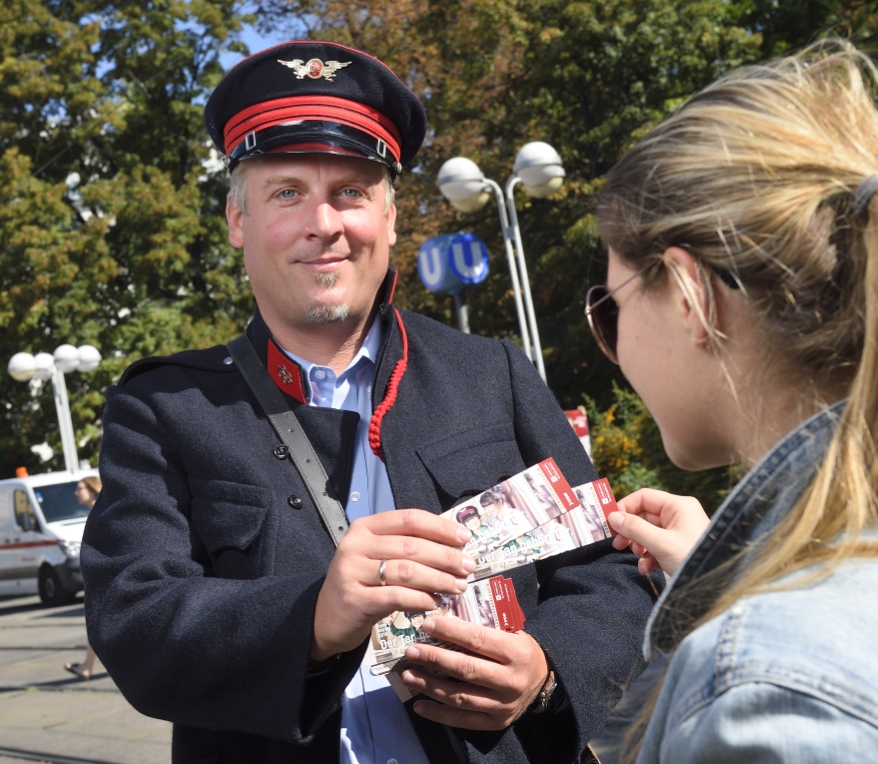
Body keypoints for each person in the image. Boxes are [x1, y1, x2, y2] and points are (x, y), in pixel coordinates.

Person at [81, 40, 660, 764]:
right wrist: (313, 618)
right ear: (239, 221)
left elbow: (607, 572)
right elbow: (133, 620)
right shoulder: (164, 406)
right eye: (286, 192)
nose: (323, 223)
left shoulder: (491, 374)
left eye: (350, 191)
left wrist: (545, 669)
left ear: (389, 218)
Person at [584, 40, 878, 762]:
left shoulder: (767, 693)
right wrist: (727, 576)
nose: (612, 347)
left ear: (689, 295)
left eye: (609, 308)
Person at [64, 476, 101, 680]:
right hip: (101, 577)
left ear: (92, 490)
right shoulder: (96, 510)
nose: (76, 492)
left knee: (97, 624)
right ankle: (86, 665)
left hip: (105, 578)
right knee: (96, 624)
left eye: (80, 488)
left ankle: (87, 666)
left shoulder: (99, 511)